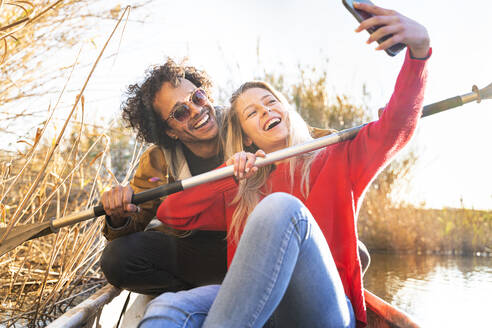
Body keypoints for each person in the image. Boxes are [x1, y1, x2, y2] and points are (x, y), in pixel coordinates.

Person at [138, 2, 431, 328]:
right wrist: (232, 177)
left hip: (326, 311)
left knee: (282, 209)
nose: (265, 112)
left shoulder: (339, 156)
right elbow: (171, 212)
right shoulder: (244, 185)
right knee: (167, 307)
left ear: (287, 110)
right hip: (262, 306)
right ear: (246, 138)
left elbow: (397, 125)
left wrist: (418, 51)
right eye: (251, 113)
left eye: (270, 102)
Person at [98, 59, 366, 295]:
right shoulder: (156, 160)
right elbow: (134, 223)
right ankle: (203, 294)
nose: (196, 111)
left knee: (357, 253)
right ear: (169, 131)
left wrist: (364, 137)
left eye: (198, 97)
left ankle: (264, 290)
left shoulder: (245, 121)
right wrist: (118, 217)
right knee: (117, 259)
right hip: (201, 253)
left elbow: (305, 137)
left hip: (260, 246)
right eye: (180, 112)